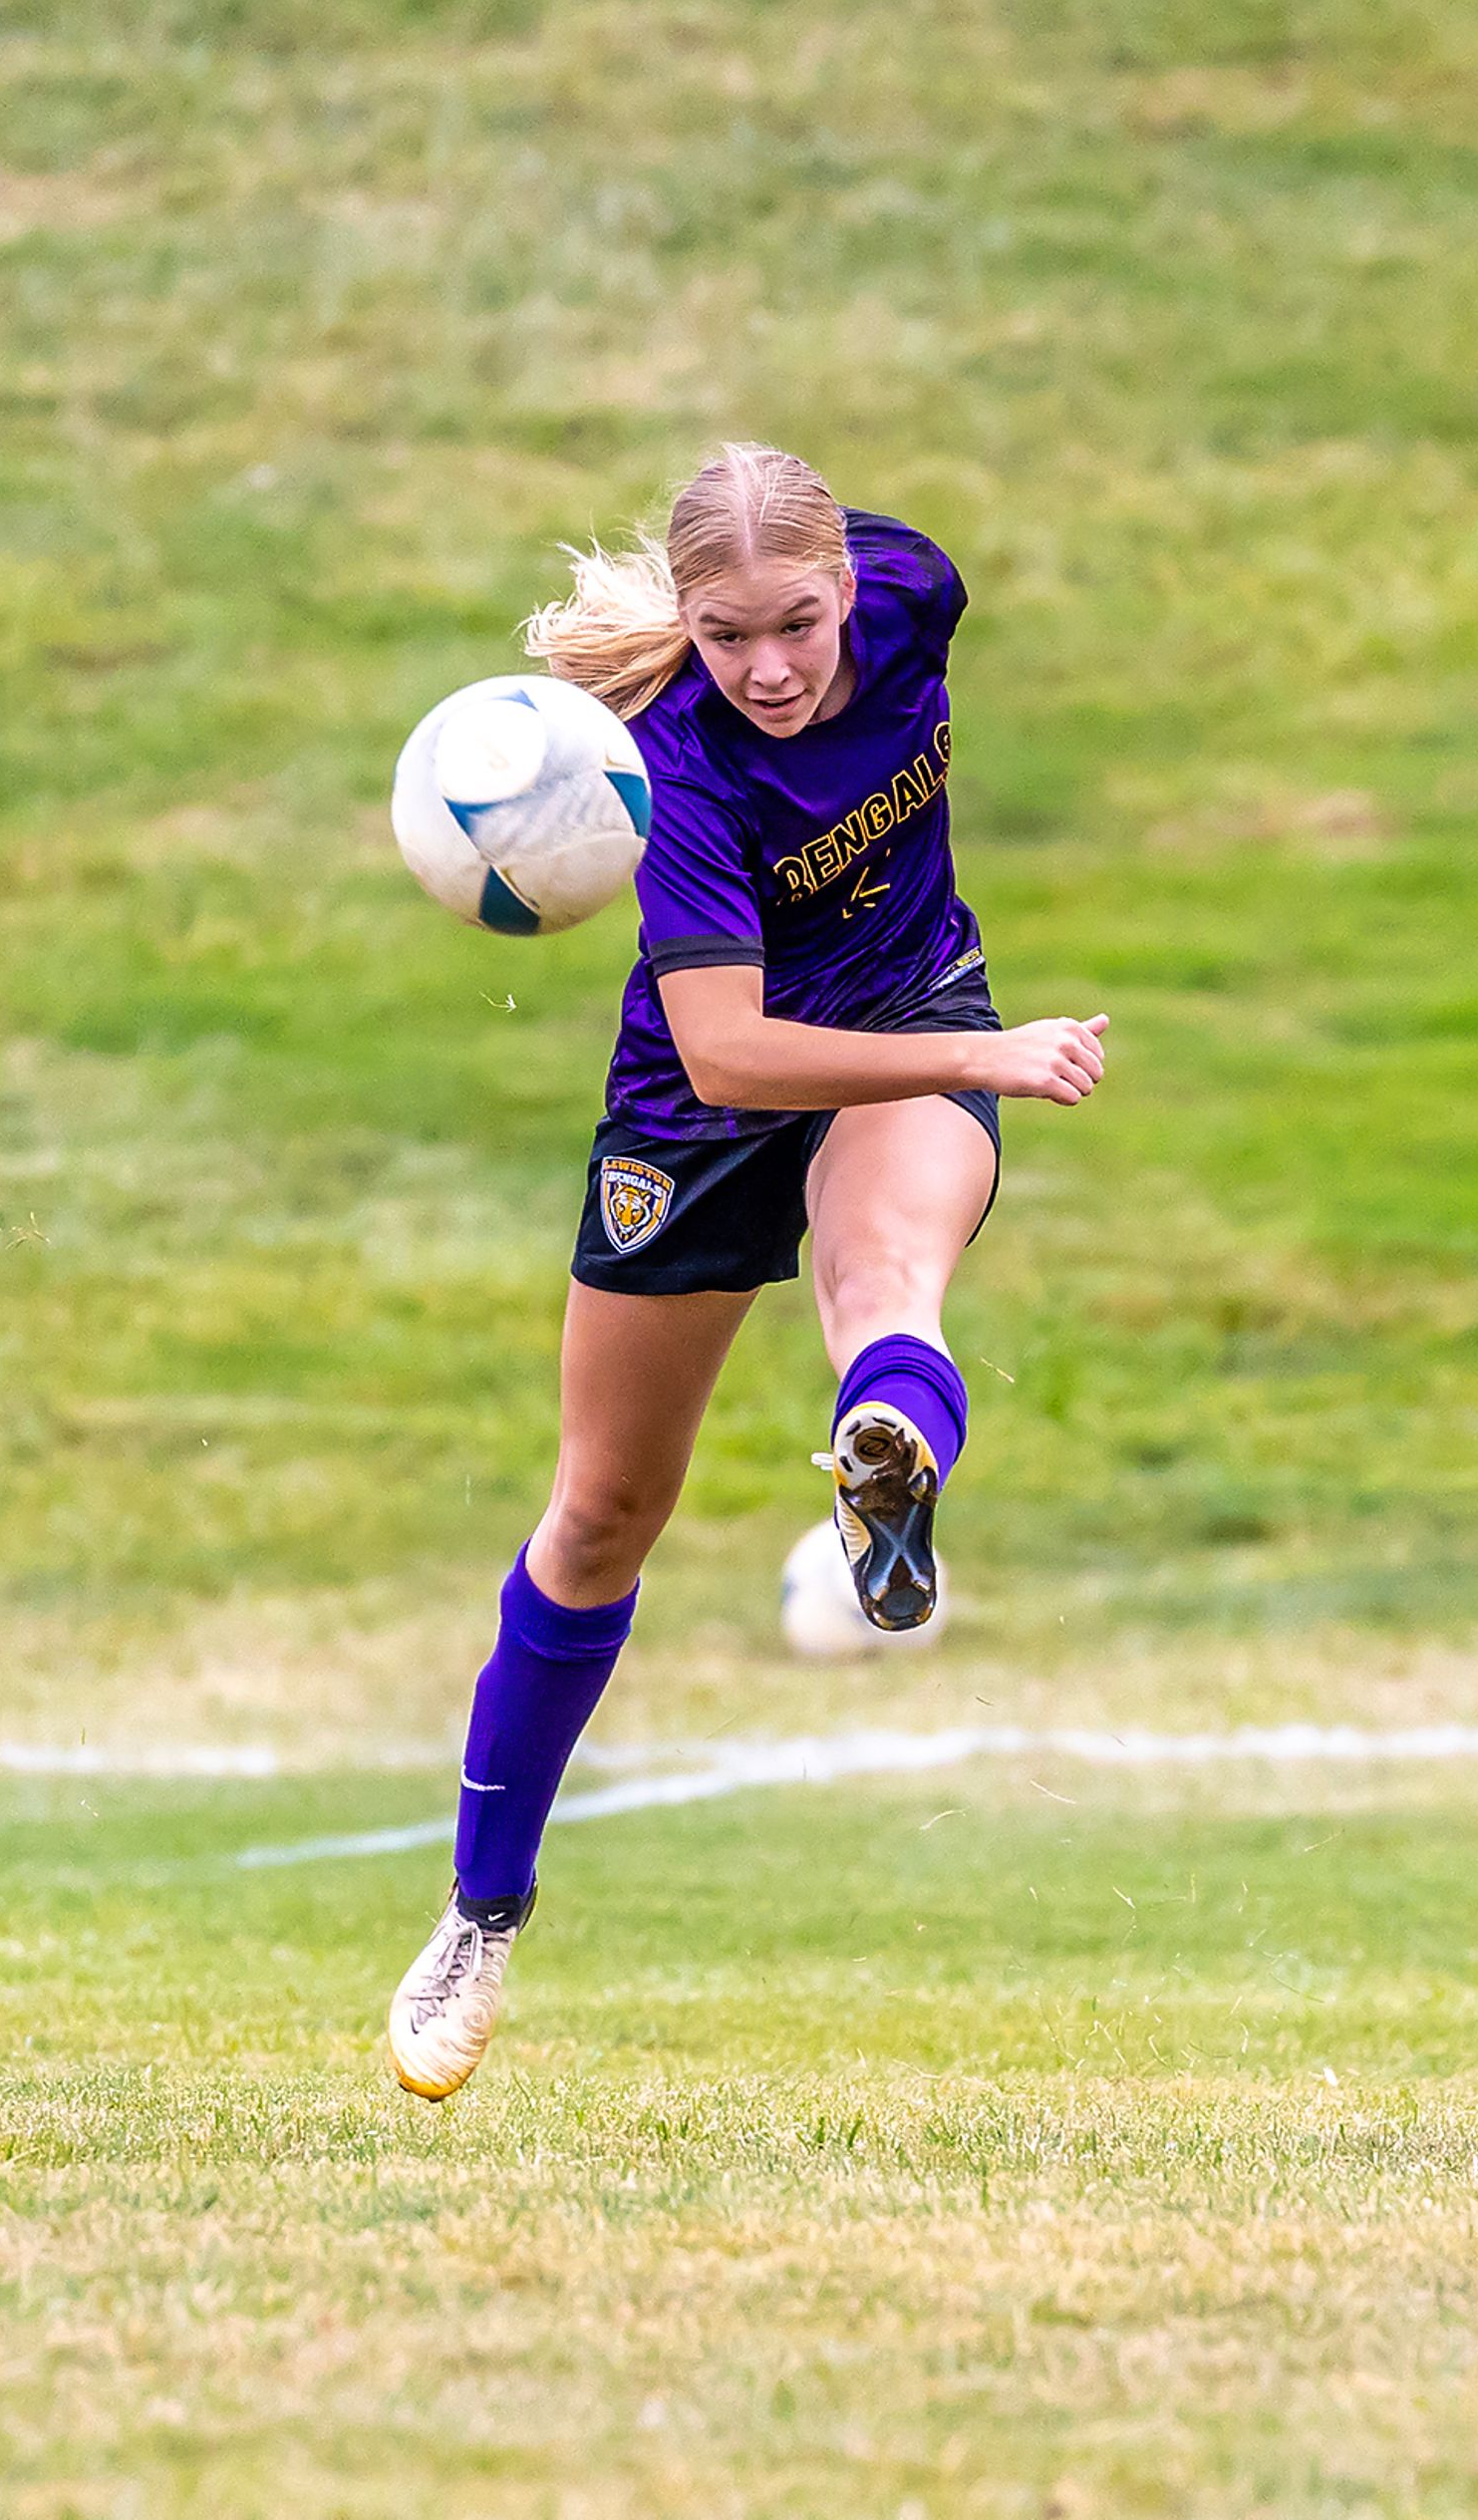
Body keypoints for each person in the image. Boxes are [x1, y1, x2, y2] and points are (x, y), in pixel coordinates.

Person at [383, 444, 1108, 2102]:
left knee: (883, 1279)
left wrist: (953, 1052)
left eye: (796, 622)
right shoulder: (682, 772)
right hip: (701, 1108)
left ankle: (887, 1461)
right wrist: (994, 1056)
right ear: (690, 628)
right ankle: (481, 1911)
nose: (770, 668)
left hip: (913, 1011)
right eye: (726, 637)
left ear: (852, 584)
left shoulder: (917, 583)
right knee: (602, 1509)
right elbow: (726, 1054)